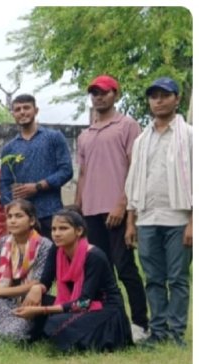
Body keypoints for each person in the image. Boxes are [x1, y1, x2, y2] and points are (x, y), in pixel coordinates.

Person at [75, 76, 148, 339]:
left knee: (125, 267)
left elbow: (135, 167)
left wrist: (122, 204)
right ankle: (107, 320)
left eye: (104, 92)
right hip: (91, 212)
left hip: (117, 209)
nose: (98, 97)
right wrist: (78, 209)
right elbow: (82, 174)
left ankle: (140, 324)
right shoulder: (86, 134)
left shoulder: (127, 125)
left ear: (115, 94)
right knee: (98, 269)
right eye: (94, 93)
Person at [124, 77, 193, 348]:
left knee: (177, 278)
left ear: (177, 99)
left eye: (165, 95)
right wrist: (131, 222)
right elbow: (132, 181)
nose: (159, 101)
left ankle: (176, 333)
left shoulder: (189, 135)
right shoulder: (142, 139)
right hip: (147, 218)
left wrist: (192, 222)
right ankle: (158, 331)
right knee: (153, 278)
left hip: (179, 218)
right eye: (154, 96)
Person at [15, 209, 133, 353]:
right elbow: (45, 282)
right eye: (54, 229)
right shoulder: (56, 249)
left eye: (63, 228)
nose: (57, 233)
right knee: (38, 299)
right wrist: (36, 289)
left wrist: (41, 310)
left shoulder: (94, 256)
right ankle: (34, 337)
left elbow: (84, 302)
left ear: (79, 231)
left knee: (54, 322)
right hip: (74, 302)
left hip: (104, 308)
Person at [0, 199, 54, 345]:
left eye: (18, 216)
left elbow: (37, 282)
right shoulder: (4, 242)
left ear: (31, 221)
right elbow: (1, 277)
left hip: (32, 298)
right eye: (9, 217)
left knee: (13, 332)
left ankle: (13, 339)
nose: (12, 221)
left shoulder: (44, 245)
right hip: (7, 297)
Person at [0, 95, 73, 238]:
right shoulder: (9, 148)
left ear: (36, 110)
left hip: (50, 212)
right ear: (13, 114)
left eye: (26, 107)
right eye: (17, 109)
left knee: (51, 257)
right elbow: (4, 182)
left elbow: (66, 170)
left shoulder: (54, 137)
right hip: (22, 219)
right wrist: (10, 208)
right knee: (24, 258)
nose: (22, 112)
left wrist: (38, 186)